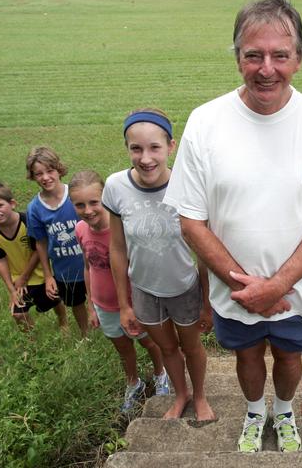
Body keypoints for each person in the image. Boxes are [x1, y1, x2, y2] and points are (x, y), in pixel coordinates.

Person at [163, 0, 302, 452]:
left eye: (280, 55)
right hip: (234, 293)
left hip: (298, 293)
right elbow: (191, 219)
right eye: (253, 55)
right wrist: (249, 286)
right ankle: (253, 411)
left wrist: (277, 285)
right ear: (237, 58)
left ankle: (283, 411)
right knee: (246, 356)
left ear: (300, 58)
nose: (267, 68)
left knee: (289, 356)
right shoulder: (205, 122)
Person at [102, 109, 215, 421]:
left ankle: (201, 396)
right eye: (136, 148)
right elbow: (118, 247)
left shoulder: (189, 187)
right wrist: (124, 305)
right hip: (144, 290)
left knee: (191, 347)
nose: (145, 158)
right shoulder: (115, 187)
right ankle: (181, 396)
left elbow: (203, 250)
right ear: (127, 148)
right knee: (167, 349)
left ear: (171, 146)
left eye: (155, 147)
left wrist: (208, 301)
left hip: (184, 287)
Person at [69, 170, 167, 413]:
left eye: (94, 202)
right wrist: (91, 305)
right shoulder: (80, 229)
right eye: (79, 205)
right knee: (123, 349)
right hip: (104, 305)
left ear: (106, 198)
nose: (88, 210)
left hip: (133, 303)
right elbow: (88, 267)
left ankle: (161, 374)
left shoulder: (122, 229)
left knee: (150, 343)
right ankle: (133, 382)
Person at [0, 182, 67, 333]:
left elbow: (39, 250)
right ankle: (31, 343)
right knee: (18, 314)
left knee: (54, 301)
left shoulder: (28, 221)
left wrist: (24, 277)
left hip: (40, 275)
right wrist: (11, 289)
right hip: (18, 282)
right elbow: (0, 260)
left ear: (12, 203)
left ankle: (63, 323)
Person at [25, 147, 89, 338]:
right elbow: (41, 243)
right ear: (32, 176)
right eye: (39, 173)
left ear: (59, 169)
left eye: (50, 171)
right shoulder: (34, 208)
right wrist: (48, 276)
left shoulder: (77, 195)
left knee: (103, 300)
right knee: (76, 304)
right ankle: (86, 335)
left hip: (91, 264)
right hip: (65, 270)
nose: (45, 177)